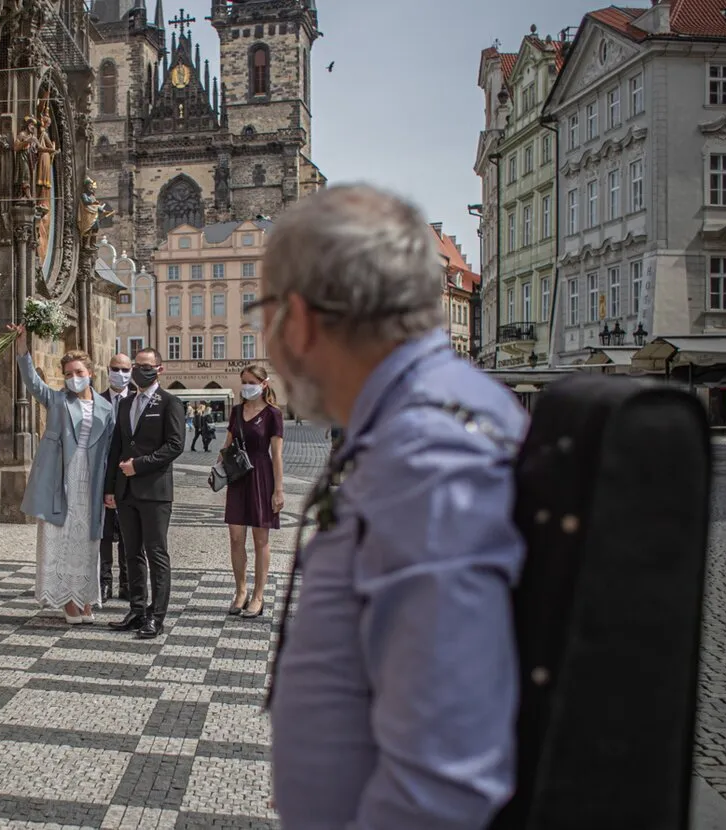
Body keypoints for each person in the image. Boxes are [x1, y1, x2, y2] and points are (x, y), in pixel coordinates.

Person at [256, 184, 527, 828]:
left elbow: (444, 787)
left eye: (260, 310)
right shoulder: (412, 420)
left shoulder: (428, 456)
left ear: (297, 320)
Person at [10, 324, 115, 623]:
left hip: (90, 480)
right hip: (60, 478)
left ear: (91, 373)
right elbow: (32, 383)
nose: (73, 378)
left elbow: (109, 449)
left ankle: (85, 597)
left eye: (78, 372)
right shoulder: (57, 401)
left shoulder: (106, 408)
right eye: (68, 373)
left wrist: (110, 489)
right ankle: (67, 599)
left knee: (86, 540)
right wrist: (22, 347)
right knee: (62, 538)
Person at [104, 348, 185, 639]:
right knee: (131, 552)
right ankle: (137, 609)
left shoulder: (170, 403)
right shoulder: (126, 403)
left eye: (147, 366)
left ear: (160, 369)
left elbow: (175, 445)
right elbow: (118, 447)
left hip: (154, 491)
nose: (140, 370)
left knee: (156, 553)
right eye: (137, 365)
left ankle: (156, 616)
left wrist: (139, 466)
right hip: (126, 493)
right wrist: (110, 488)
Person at [221, 366, 284, 618]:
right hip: (238, 477)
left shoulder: (273, 414)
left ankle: (259, 595)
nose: (246, 386)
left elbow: (277, 454)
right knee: (236, 538)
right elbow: (226, 446)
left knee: (261, 540)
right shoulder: (236, 412)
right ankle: (241, 591)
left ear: (264, 384)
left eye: (251, 382)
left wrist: (278, 489)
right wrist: (218, 469)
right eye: (243, 382)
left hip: (261, 475)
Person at [100, 352, 133, 601]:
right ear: (107, 369)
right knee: (103, 532)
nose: (119, 374)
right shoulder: (96, 400)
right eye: (115, 368)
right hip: (101, 477)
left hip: (128, 477)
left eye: (124, 369)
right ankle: (104, 582)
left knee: (128, 533)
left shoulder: (136, 400)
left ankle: (126, 582)